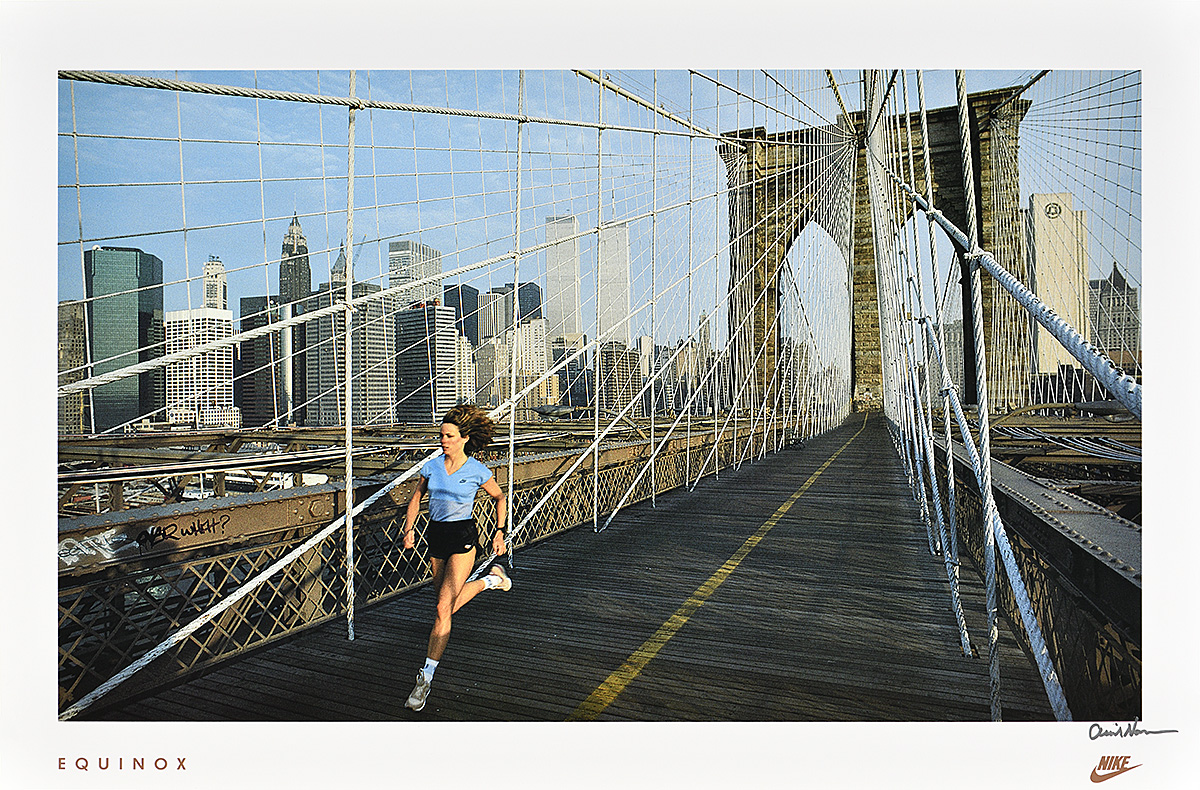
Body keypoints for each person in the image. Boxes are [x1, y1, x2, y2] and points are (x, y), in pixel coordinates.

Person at [402, 404, 510, 712]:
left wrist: (499, 531)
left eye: (449, 436)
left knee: (441, 608)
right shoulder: (432, 467)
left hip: (463, 539)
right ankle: (492, 580)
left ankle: (425, 680)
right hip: (435, 537)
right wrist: (408, 529)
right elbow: (416, 497)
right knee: (446, 606)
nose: (443, 440)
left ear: (463, 438)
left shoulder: (476, 469)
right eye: (441, 435)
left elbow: (499, 497)